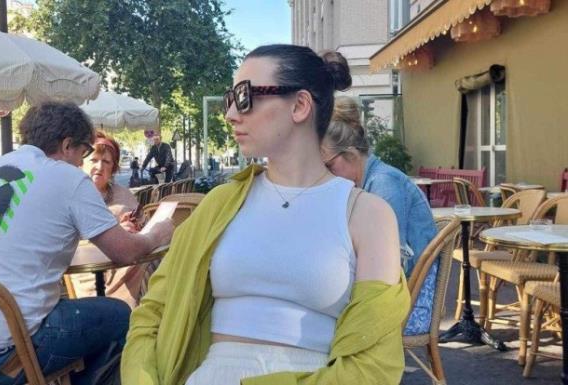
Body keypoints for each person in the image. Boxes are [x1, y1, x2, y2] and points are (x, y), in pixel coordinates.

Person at [122, 45, 410, 385]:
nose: (230, 113)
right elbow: (152, 313)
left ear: (300, 105)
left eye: (244, 97)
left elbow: (374, 365)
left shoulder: (368, 214)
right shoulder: (220, 204)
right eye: (230, 98)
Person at [0, 102, 174, 385]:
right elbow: (124, 252)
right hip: (9, 353)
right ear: (67, 145)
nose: (83, 162)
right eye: (84, 152)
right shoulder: (67, 176)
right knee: (119, 315)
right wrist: (157, 233)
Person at [321, 96, 437, 276]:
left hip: (410, 291)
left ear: (350, 153)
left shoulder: (384, 183)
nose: (326, 174)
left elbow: (392, 258)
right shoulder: (364, 184)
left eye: (328, 166)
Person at [72, 131, 148, 308]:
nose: (99, 167)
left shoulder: (123, 194)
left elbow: (143, 222)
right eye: (94, 160)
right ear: (82, 163)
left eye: (106, 162)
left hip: (127, 266)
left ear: (113, 168)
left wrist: (135, 226)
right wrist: (116, 232)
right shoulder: (74, 194)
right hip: (87, 271)